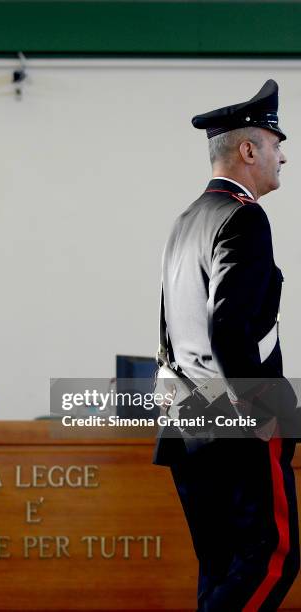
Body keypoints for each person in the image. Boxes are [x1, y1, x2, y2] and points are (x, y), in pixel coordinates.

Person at [152, 80, 300, 611]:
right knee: (272, 556)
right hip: (234, 422)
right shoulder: (244, 218)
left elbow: (172, 333)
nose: (283, 155)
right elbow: (229, 331)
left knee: (221, 568)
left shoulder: (186, 220)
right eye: (275, 142)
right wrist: (269, 415)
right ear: (248, 149)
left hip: (186, 419)